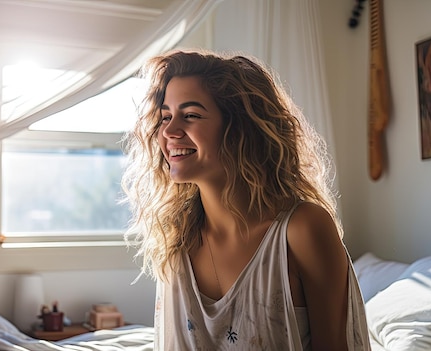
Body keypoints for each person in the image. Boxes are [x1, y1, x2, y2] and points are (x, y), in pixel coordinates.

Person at [121, 49, 370, 350]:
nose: (170, 131)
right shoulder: (176, 239)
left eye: (190, 116)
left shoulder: (303, 229)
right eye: (165, 117)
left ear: (239, 128)